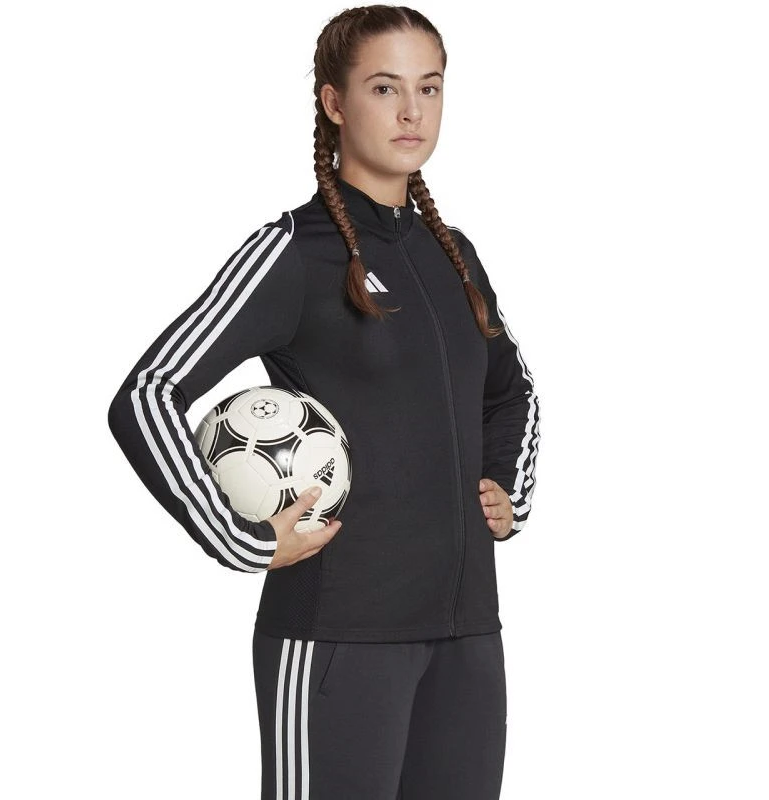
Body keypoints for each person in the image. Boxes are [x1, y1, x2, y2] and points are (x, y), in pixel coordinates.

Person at [107, 5, 541, 799]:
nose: (411, 112)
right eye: (385, 88)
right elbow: (147, 393)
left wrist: (506, 489)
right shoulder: (292, 252)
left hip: (469, 638)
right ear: (334, 102)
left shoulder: (454, 254)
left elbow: (511, 390)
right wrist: (239, 538)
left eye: (429, 88)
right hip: (338, 638)